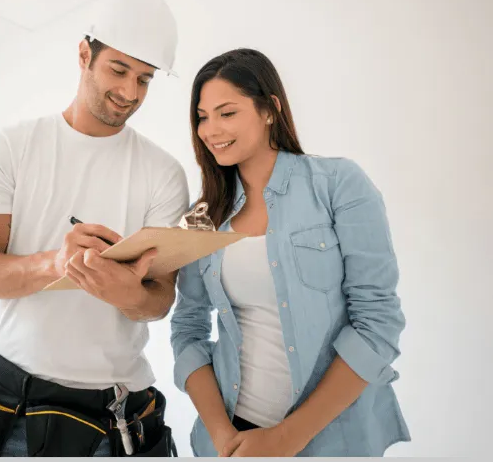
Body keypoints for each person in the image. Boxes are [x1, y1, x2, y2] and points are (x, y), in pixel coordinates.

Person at [0, 0, 190, 457]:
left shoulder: (163, 174)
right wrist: (58, 263)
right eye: (118, 70)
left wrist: (129, 295)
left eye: (145, 80)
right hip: (8, 404)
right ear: (84, 54)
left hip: (115, 412)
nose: (130, 92)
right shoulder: (12, 148)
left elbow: (160, 299)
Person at [170, 48, 410, 457]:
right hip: (230, 440)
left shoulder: (338, 184)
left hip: (328, 438)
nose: (211, 130)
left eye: (227, 113)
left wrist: (286, 438)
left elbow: (377, 323)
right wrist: (223, 438)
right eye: (202, 116)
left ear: (269, 110)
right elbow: (188, 329)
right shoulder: (203, 216)